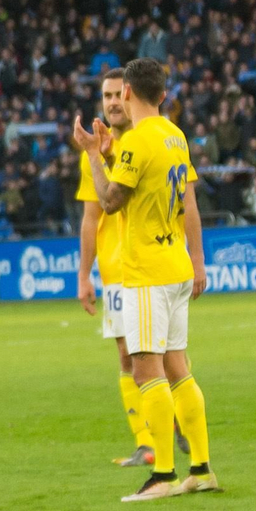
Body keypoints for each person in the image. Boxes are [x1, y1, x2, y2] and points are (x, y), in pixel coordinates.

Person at [73, 58, 217, 502]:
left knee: (145, 369)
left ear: (130, 94)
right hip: (175, 265)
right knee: (179, 368)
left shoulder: (136, 142)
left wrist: (95, 155)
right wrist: (197, 258)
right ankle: (202, 467)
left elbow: (111, 200)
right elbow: (185, 199)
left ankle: (164, 475)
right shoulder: (175, 135)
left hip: (147, 273)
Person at [76, 68, 156, 467]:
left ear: (130, 95)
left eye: (116, 95)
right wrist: (84, 274)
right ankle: (147, 441)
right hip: (115, 272)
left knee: (161, 353)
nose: (110, 103)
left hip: (150, 262)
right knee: (127, 356)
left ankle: (170, 422)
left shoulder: (148, 139)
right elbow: (92, 218)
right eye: (104, 96)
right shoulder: (93, 148)